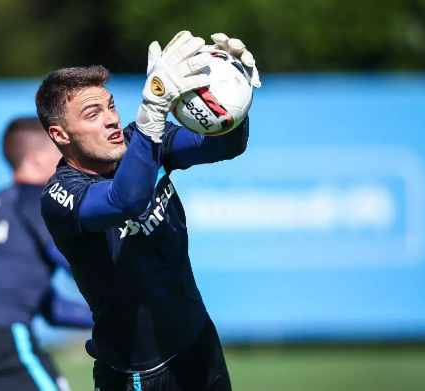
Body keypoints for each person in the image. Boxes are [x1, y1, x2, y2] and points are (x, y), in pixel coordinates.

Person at [37, 31, 260, 391]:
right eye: (93, 114)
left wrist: (233, 89)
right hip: (141, 373)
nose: (110, 119)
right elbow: (124, 199)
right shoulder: (61, 195)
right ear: (61, 135)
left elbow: (225, 145)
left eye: (110, 106)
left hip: (199, 343)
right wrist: (154, 110)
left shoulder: (138, 141)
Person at [0, 117, 94, 391]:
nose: (67, 160)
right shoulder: (38, 198)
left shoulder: (5, 206)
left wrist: (104, 317)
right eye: (59, 152)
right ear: (36, 158)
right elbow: (77, 261)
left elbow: (53, 309)